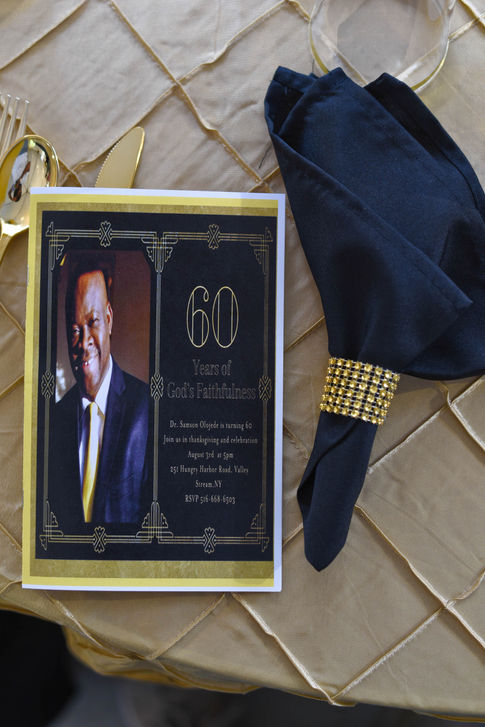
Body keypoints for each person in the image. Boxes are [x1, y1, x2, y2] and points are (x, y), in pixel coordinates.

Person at [49, 258, 150, 528]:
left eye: (93, 321)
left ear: (109, 319)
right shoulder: (54, 421)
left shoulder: (147, 409)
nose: (84, 343)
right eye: (74, 330)